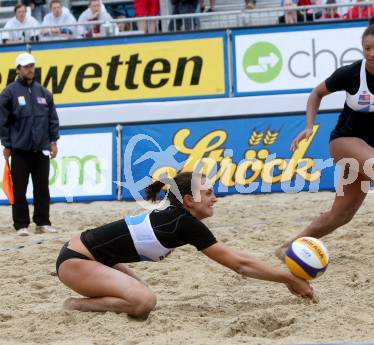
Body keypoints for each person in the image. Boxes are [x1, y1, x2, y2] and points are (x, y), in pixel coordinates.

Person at [56, 172, 314, 318]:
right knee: (144, 301)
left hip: (97, 257)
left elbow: (238, 257)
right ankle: (75, 305)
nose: (215, 198)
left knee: (138, 295)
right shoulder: (183, 223)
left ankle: (92, 297)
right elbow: (240, 265)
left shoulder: (178, 218)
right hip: (76, 260)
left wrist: (286, 278)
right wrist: (288, 279)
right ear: (188, 200)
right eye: (209, 193)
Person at [275, 16, 374, 269]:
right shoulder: (351, 73)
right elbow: (316, 93)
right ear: (362, 49)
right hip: (343, 142)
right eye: (367, 49)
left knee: (341, 214)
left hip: (365, 149)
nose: (372, 54)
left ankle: (288, 247)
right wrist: (309, 126)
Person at [0, 52, 60, 236]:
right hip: (19, 150)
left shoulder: (44, 93)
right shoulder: (9, 93)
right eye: (26, 66)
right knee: (19, 189)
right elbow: (3, 122)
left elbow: (52, 120)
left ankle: (43, 222)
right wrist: (7, 145)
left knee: (42, 188)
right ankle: (21, 225)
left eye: (32, 66)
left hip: (41, 149)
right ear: (18, 70)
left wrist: (53, 142)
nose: (30, 69)